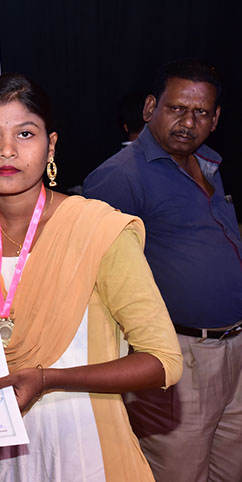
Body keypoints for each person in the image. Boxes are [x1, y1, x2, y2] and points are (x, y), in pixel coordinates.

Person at [0, 73, 183, 481]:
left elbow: (163, 362)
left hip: (86, 452)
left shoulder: (98, 230)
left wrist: (49, 379)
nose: (7, 150)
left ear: (50, 145)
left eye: (25, 134)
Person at [84, 59, 242, 482]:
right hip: (178, 356)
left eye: (201, 112)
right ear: (151, 107)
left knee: (231, 469)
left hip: (233, 347)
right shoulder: (120, 177)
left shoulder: (207, 163)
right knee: (179, 471)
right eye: (177, 109)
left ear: (216, 119)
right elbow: (95, 278)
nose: (188, 122)